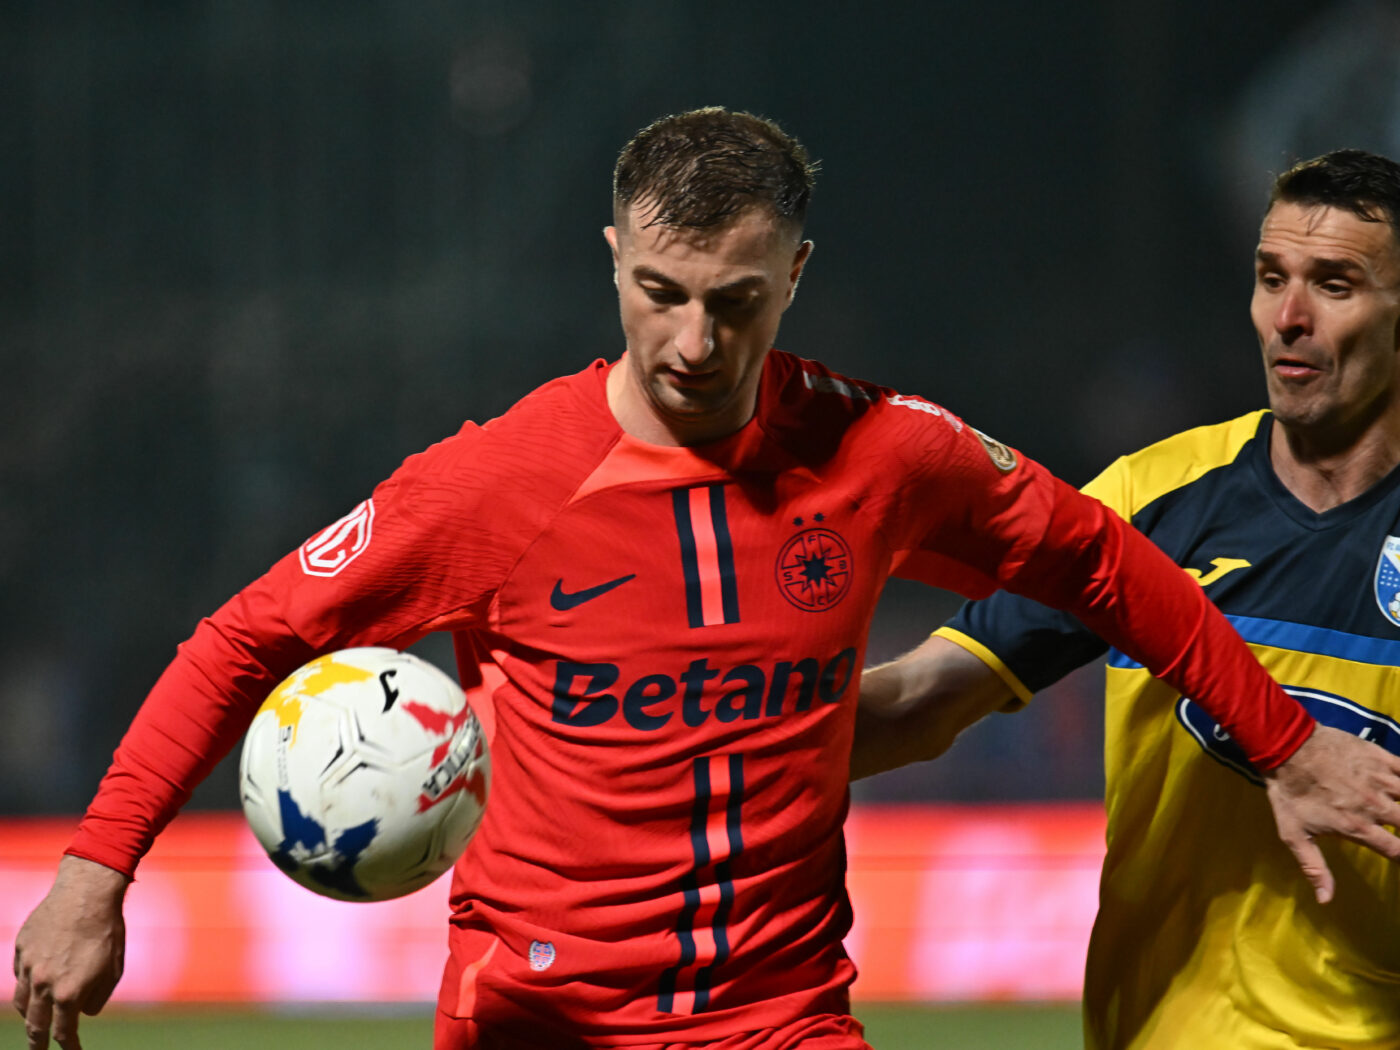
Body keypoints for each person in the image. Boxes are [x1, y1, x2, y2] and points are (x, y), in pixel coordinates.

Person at [11, 112, 1400, 1050]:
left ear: (794, 273)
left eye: (734, 301)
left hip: (780, 1019)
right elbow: (245, 635)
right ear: (615, 259)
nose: (692, 341)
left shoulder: (885, 453)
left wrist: (1279, 746)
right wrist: (91, 873)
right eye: (661, 292)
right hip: (538, 1020)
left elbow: (1103, 560)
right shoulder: (496, 482)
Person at [854, 148, 1400, 1049]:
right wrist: (701, 743)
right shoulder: (1153, 500)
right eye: (1272, 278)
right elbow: (921, 700)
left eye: (1334, 285)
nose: (1288, 318)